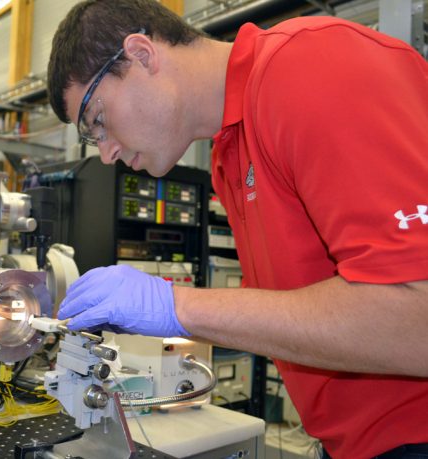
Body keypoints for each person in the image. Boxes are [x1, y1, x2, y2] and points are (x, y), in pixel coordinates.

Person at [47, 1, 428, 458]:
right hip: (354, 444)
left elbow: (416, 322)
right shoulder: (230, 153)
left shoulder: (312, 66)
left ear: (141, 55)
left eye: (98, 122)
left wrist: (176, 305)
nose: (105, 153)